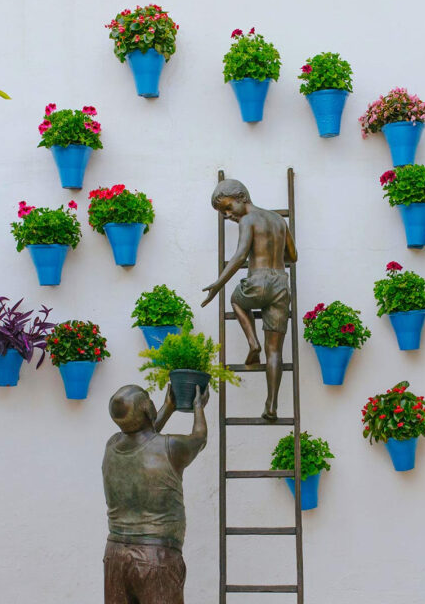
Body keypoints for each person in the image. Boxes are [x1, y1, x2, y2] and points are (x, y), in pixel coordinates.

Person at [102, 384, 209, 604]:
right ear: (147, 409)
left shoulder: (112, 445)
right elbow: (199, 439)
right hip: (156, 556)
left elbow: (143, 436)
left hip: (115, 555)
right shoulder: (171, 447)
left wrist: (167, 408)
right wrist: (199, 406)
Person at [202, 179, 297, 422]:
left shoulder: (247, 220)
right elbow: (293, 256)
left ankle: (252, 343)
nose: (227, 215)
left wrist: (217, 283)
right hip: (281, 284)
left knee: (235, 299)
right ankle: (272, 404)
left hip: (258, 280)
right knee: (275, 350)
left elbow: (240, 255)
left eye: (228, 207)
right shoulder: (278, 219)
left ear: (242, 197)